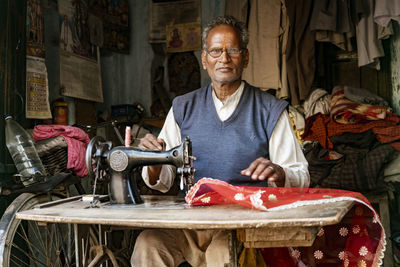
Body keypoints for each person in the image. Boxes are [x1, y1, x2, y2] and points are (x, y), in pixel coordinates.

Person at [131, 16, 310, 267]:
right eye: (215, 51)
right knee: (148, 243)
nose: (224, 58)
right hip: (189, 224)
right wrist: (153, 162)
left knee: (223, 252)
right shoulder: (183, 107)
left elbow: (301, 174)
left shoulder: (270, 110)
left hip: (241, 225)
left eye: (232, 50)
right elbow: (164, 182)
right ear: (205, 59)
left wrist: (280, 173)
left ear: (245, 57)